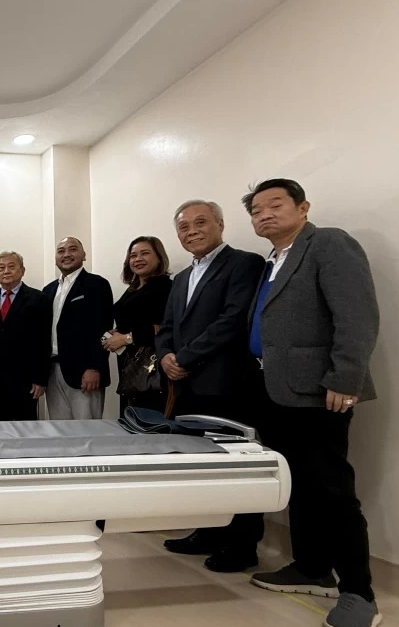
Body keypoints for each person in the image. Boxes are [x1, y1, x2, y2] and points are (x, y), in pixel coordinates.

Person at [243, 179, 382, 627]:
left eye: (274, 205)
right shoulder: (273, 261)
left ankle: (359, 593)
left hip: (320, 391)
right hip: (274, 390)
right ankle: (311, 568)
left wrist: (345, 377)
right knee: (295, 482)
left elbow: (357, 315)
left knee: (332, 489)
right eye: (256, 210)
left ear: (303, 207)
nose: (263, 215)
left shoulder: (328, 244)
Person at [156, 201, 266, 572]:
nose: (192, 230)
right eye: (183, 226)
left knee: (236, 466)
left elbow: (233, 320)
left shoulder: (245, 264)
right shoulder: (182, 278)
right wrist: (166, 355)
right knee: (203, 465)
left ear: (220, 224)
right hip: (188, 387)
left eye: (200, 222)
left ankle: (242, 543)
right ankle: (209, 530)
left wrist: (183, 358)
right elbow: (168, 324)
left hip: (228, 384)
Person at [0, 251, 52, 421]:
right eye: (1, 268)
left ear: (22, 271)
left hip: (25, 379)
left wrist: (40, 378)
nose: (6, 271)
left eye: (11, 266)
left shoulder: (39, 299)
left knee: (26, 428)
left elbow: (43, 341)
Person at [44, 236, 114, 420]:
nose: (66, 254)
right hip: (52, 371)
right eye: (61, 251)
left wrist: (94, 367)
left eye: (72, 249)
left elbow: (103, 327)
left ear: (84, 255)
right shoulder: (48, 290)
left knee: (87, 431)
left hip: (85, 372)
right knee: (59, 430)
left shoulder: (97, 284)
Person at [104, 236, 174, 413]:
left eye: (145, 253)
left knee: (150, 422)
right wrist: (118, 332)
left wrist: (127, 338)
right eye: (133, 255)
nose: (138, 259)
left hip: (152, 369)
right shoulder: (132, 288)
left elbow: (166, 329)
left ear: (159, 257)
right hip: (130, 367)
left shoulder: (165, 287)